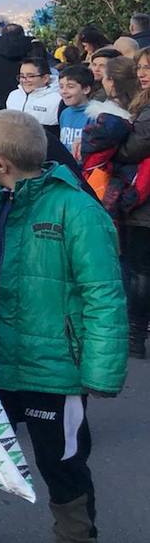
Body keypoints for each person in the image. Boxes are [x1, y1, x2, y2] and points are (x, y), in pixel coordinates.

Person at [0, 111, 126, 543]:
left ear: (0, 162)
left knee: (61, 460)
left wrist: (100, 371)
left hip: (54, 371)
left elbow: (103, 292)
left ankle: (76, 533)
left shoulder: (76, 209)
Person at [112, 49, 150, 360]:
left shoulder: (146, 111)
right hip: (140, 200)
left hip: (143, 202)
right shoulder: (141, 105)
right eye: (140, 67)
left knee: (140, 270)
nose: (142, 73)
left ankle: (136, 334)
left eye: (148, 68)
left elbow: (134, 149)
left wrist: (111, 147)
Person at [6, 56, 59, 127]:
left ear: (45, 78)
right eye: (22, 76)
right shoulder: (13, 95)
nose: (25, 80)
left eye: (30, 76)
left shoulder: (58, 100)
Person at [58, 64, 96, 159]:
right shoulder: (65, 113)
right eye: (61, 87)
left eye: (70, 87)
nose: (64, 91)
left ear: (86, 89)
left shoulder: (95, 114)